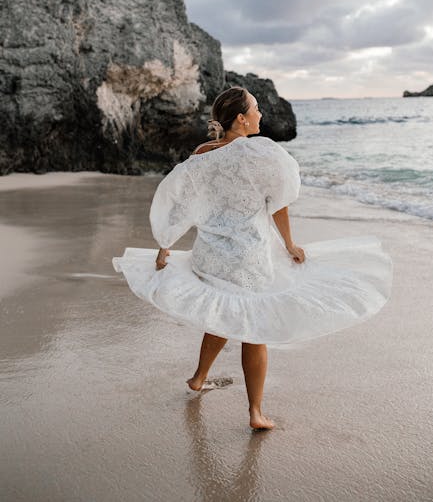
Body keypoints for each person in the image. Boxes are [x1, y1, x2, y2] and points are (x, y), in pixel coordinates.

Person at [112, 87, 392, 431]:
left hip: (211, 255)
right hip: (248, 257)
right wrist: (289, 244)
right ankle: (256, 413)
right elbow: (279, 203)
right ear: (241, 118)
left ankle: (199, 378)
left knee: (223, 312)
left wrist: (165, 244)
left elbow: (183, 201)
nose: (261, 114)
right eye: (256, 109)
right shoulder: (261, 153)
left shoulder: (203, 151)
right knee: (253, 327)